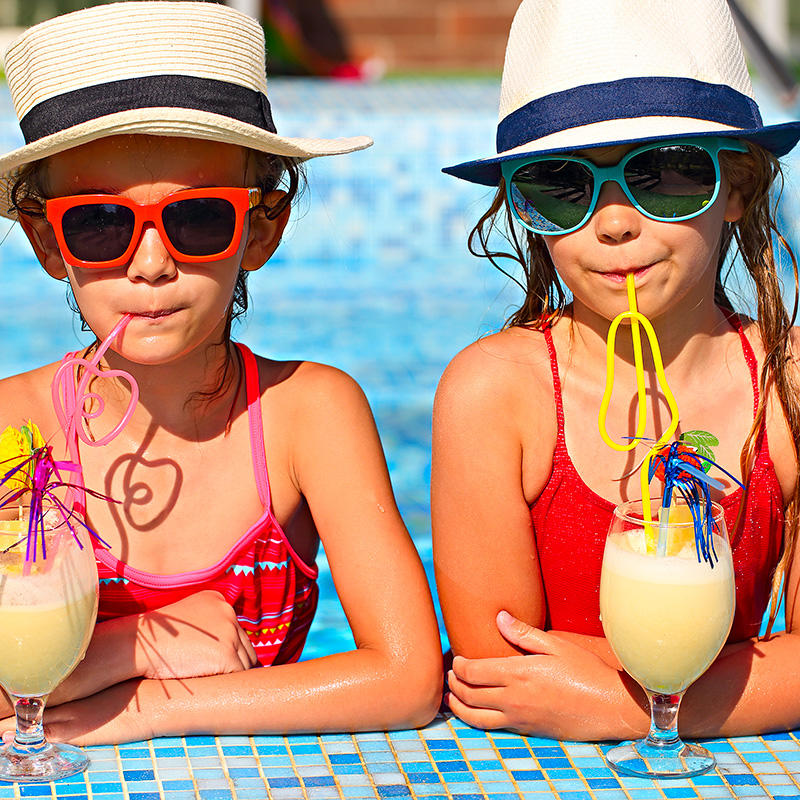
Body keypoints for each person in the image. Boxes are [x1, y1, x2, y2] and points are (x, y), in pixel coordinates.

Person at [0, 1, 442, 745]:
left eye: (198, 218)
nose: (151, 265)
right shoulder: (20, 429)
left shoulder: (308, 416)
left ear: (261, 227)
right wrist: (138, 643)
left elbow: (407, 677)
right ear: (49, 243)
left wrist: (153, 704)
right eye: (100, 224)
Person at [432, 0, 800, 741]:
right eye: (562, 185)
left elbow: (550, 684)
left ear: (738, 186)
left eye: (664, 173)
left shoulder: (787, 385)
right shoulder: (498, 393)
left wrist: (617, 702)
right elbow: (498, 673)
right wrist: (747, 682)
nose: (612, 222)